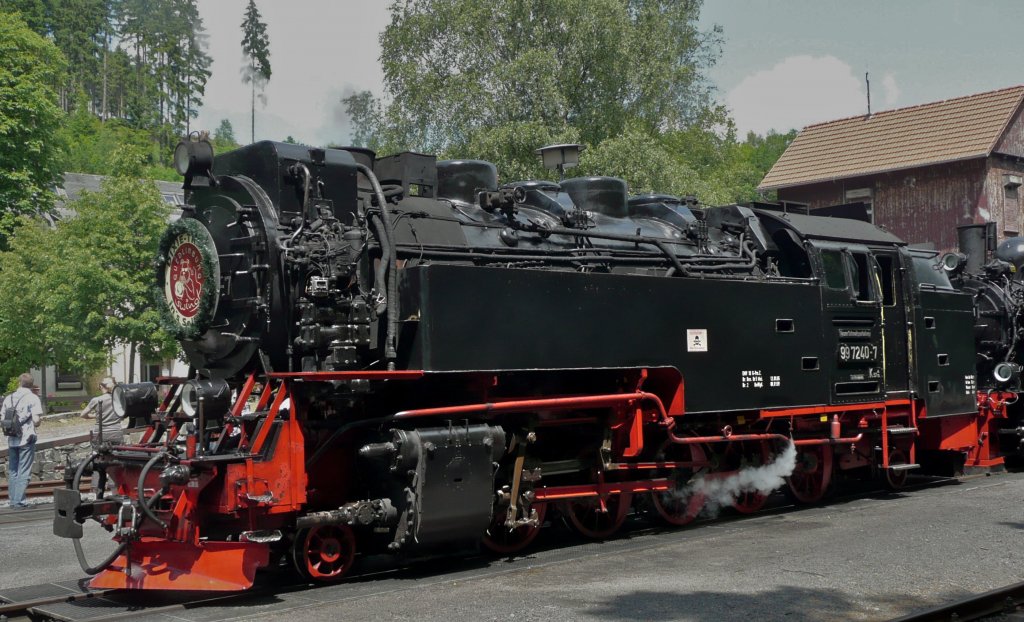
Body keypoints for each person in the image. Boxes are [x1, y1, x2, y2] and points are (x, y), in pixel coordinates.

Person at [4, 373, 43, 508]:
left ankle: (13, 500)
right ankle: (19, 501)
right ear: (31, 385)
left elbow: (3, 419)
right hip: (27, 438)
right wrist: (36, 422)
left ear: (19, 383)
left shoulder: (8, 397)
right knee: (24, 470)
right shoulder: (33, 398)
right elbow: (36, 420)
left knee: (13, 470)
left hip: (12, 438)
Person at [80, 377, 122, 446]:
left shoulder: (96, 400)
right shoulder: (119, 399)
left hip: (100, 433)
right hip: (116, 431)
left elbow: (82, 415)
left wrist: (95, 416)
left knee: (99, 454)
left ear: (101, 386)